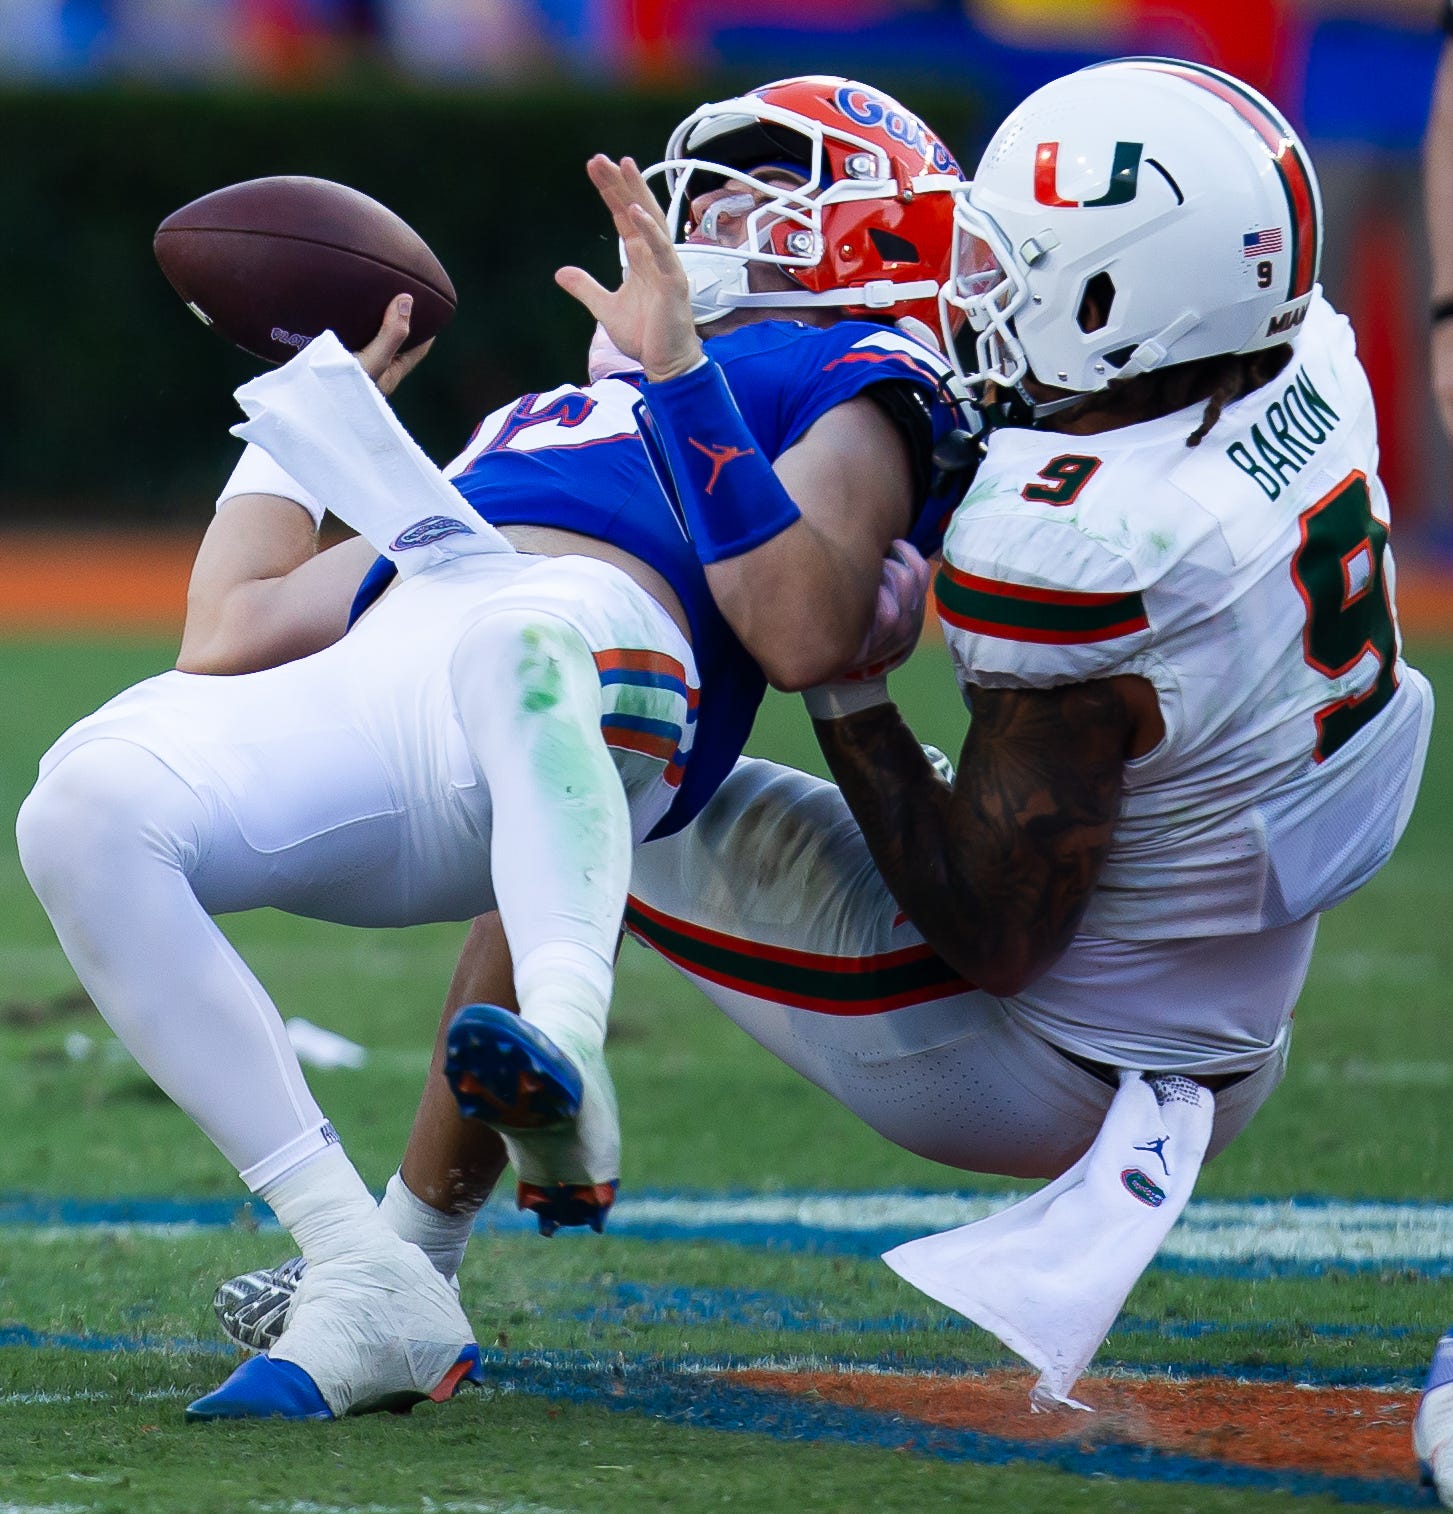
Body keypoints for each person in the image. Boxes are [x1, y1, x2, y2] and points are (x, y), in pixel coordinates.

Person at [221, 54, 1437, 1418]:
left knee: (579, 777)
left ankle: (401, 1267)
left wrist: (852, 694)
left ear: (1123, 301)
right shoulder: (1301, 355)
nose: (983, 293)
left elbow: (991, 928)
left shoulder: (1073, 540)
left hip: (1058, 1052)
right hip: (1222, 984)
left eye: (1022, 268)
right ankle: (406, 1259)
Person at [17, 75, 969, 1420]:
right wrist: (310, 403)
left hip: (596, 663)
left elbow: (802, 624)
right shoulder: (538, 418)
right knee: (82, 800)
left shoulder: (852, 373)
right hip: (429, 656)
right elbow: (226, 627)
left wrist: (691, 373)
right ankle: (362, 1274)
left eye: (767, 182)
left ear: (876, 233)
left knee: (522, 643)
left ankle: (563, 1068)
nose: (707, 205)